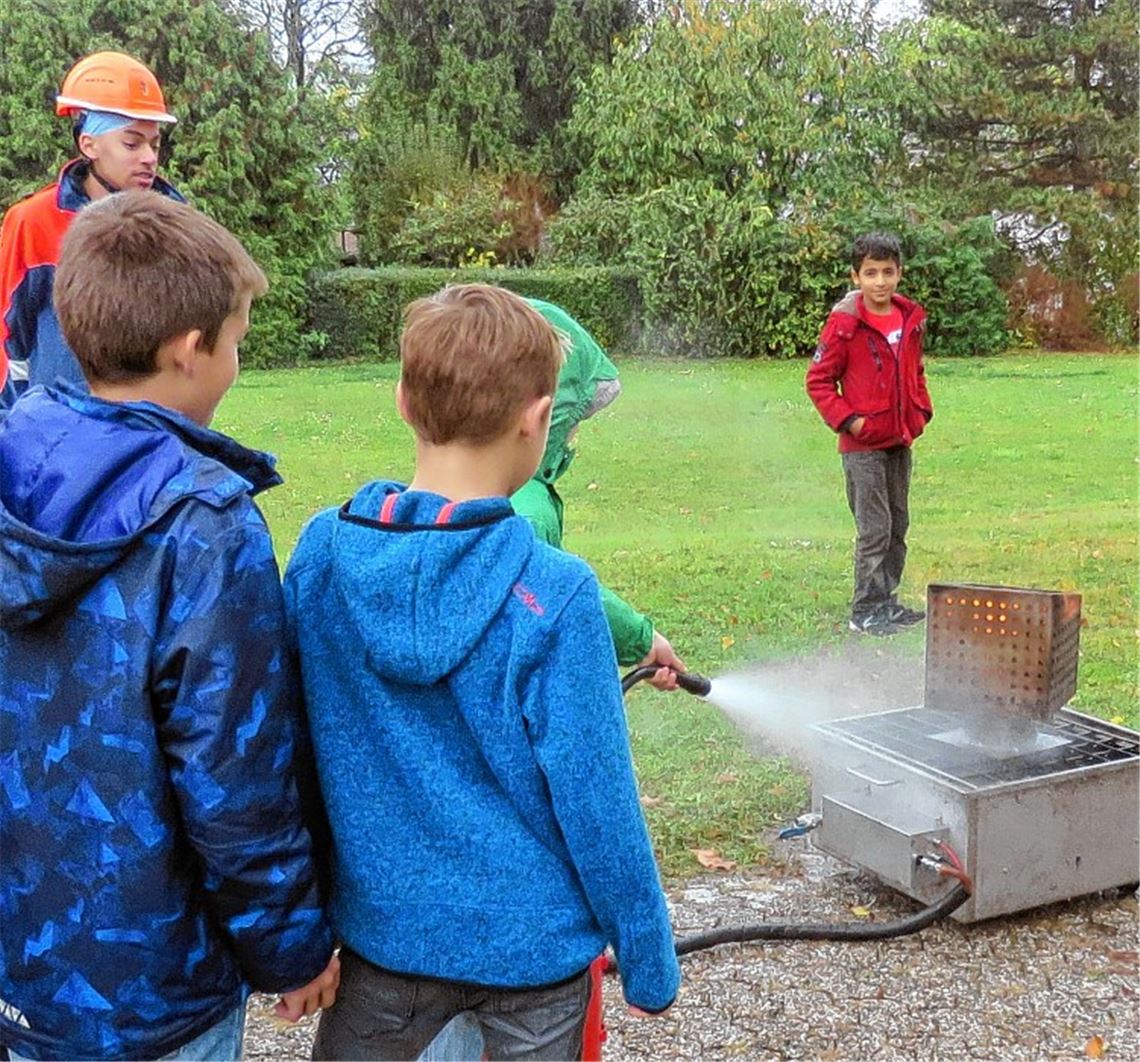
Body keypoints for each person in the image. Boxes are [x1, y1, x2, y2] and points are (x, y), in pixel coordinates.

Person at [284, 284, 681, 1060]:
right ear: (538, 422)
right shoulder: (557, 594)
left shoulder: (322, 556)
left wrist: (294, 925)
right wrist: (648, 956)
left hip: (382, 940)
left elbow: (286, 750)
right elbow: (598, 800)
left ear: (403, 399)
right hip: (533, 961)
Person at [0, 192, 339, 1061]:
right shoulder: (204, 522)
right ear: (190, 350)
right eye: (235, 344)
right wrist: (290, 947)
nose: (234, 366)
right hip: (155, 998)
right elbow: (235, 777)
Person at [511, 299, 685, 690]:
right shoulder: (526, 514)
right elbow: (559, 588)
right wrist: (639, 639)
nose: (573, 437)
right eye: (572, 423)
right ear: (542, 419)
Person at [0, 51, 184, 408]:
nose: (149, 157)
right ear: (89, 144)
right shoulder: (33, 221)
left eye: (155, 144)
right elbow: (6, 332)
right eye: (132, 143)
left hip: (152, 438)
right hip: (57, 438)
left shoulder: (179, 225)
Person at [806, 232, 934, 636]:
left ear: (900, 274)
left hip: (899, 440)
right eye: (871, 273)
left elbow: (915, 371)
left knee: (898, 524)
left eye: (888, 272)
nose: (880, 281)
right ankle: (864, 611)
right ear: (856, 276)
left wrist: (921, 409)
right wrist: (852, 422)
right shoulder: (844, 325)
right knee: (874, 528)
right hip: (862, 448)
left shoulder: (909, 320)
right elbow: (819, 381)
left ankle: (887, 602)